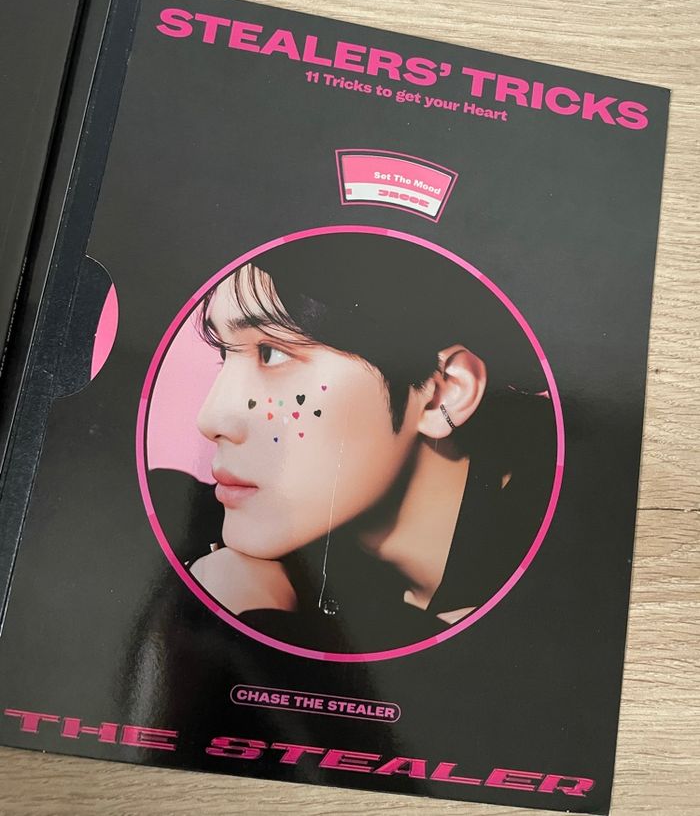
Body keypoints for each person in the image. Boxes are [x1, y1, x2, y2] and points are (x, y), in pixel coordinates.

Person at [150, 232, 556, 653]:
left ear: (441, 394)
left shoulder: (566, 575)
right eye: (224, 353)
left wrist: (271, 625)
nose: (210, 418)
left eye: (271, 352)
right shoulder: (187, 519)